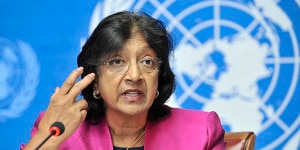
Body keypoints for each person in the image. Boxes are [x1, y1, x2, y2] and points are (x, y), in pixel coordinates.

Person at [21, 11, 226, 150]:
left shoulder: (201, 131)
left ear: (159, 75)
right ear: (95, 82)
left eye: (147, 62)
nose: (135, 76)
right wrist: (48, 139)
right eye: (117, 61)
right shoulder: (60, 129)